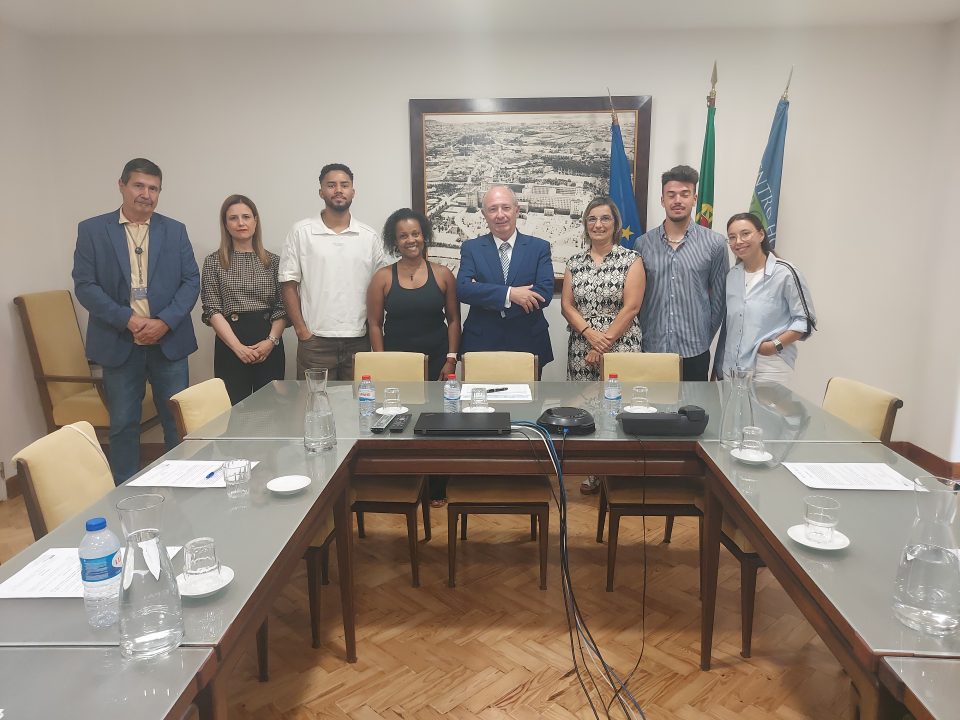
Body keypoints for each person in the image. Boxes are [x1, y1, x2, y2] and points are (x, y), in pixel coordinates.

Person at [72, 158, 200, 484]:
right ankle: (124, 492)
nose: (146, 194)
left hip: (168, 341)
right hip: (119, 342)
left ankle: (181, 486)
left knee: (176, 421)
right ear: (122, 186)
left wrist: (164, 322)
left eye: (153, 188)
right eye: (139, 185)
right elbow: (85, 285)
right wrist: (127, 319)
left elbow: (191, 282)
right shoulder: (92, 230)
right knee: (124, 423)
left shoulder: (175, 230)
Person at [279, 163, 387, 380]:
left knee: (358, 400)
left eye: (344, 185)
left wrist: (374, 330)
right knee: (313, 400)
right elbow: (288, 284)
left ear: (353, 191)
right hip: (315, 342)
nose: (338, 190)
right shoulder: (302, 232)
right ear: (321, 192)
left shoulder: (368, 236)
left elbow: (381, 288)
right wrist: (301, 331)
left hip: (359, 340)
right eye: (331, 185)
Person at [633, 165, 728, 380]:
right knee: (652, 403)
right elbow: (637, 297)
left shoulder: (715, 244)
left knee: (693, 403)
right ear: (662, 200)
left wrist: (703, 335)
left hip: (695, 350)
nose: (678, 200)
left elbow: (719, 299)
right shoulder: (642, 244)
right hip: (652, 348)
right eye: (671, 195)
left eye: (685, 194)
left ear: (694, 199)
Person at [456, 185, 554, 375]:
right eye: (493, 209)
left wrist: (483, 293)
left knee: (528, 395)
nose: (500, 215)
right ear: (484, 214)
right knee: (480, 395)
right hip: (481, 343)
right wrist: (510, 294)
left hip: (528, 341)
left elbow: (544, 293)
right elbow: (463, 289)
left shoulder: (539, 248)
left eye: (506, 208)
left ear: (517, 210)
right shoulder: (471, 248)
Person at [200, 194, 287, 405]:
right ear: (225, 224)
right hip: (230, 344)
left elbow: (282, 306)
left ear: (255, 221)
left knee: (271, 408)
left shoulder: (274, 262)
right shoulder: (213, 262)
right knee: (235, 410)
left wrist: (270, 342)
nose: (241, 223)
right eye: (233, 218)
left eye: (246, 217)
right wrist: (237, 347)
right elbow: (212, 309)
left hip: (268, 342)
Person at [719, 212, 816, 383]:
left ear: (761, 235)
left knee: (766, 403)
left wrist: (774, 346)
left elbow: (805, 320)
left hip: (769, 365)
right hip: (732, 367)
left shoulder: (785, 273)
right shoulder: (732, 276)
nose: (738, 241)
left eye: (745, 234)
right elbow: (730, 324)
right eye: (732, 237)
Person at [367, 208, 461, 380]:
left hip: (438, 361)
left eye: (415, 234)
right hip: (395, 362)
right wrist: (381, 361)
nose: (411, 240)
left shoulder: (443, 274)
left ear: (424, 236)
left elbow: (454, 320)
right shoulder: (382, 278)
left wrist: (451, 359)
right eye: (403, 236)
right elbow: (374, 324)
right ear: (395, 241)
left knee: (437, 399)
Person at [561, 196, 645, 381]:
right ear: (586, 224)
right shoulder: (574, 263)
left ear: (615, 224)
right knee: (582, 398)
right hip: (582, 346)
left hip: (622, 345)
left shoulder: (631, 259)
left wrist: (602, 344)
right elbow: (567, 306)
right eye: (592, 219)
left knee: (621, 397)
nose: (598, 225)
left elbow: (631, 307)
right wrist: (590, 334)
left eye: (605, 218)